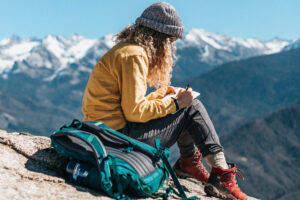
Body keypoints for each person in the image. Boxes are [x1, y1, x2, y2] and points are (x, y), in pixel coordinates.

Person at [82, 2, 252, 200]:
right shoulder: (135, 55)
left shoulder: (125, 50)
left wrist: (161, 95)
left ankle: (189, 163)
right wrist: (176, 104)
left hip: (103, 132)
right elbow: (134, 111)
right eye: (170, 41)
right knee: (191, 107)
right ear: (160, 37)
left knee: (184, 105)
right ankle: (220, 172)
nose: (169, 47)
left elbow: (126, 104)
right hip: (117, 138)